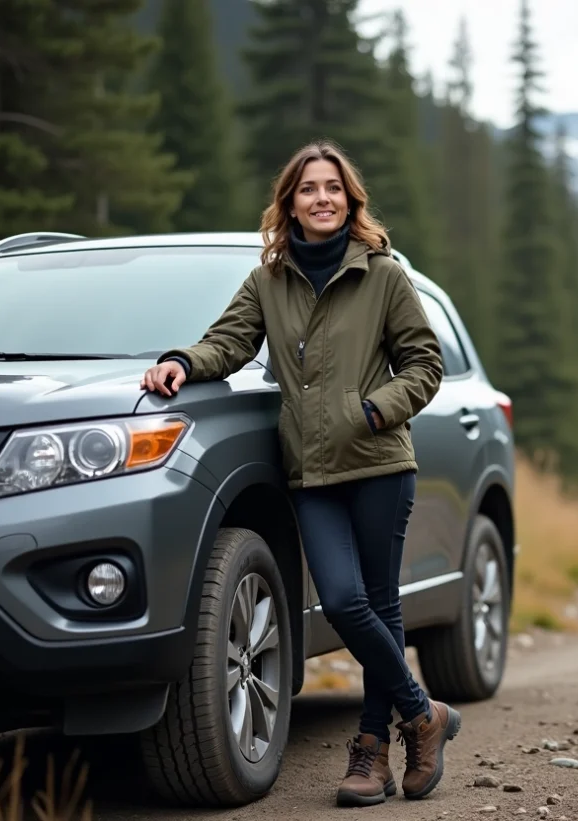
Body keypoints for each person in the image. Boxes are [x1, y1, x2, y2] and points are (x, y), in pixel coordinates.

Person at [140, 139, 459, 807]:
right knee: (342, 601)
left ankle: (371, 752)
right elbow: (228, 342)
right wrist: (182, 363)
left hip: (378, 461)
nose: (322, 198)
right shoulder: (269, 281)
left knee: (380, 604)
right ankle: (421, 713)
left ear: (350, 200)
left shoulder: (383, 274)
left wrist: (372, 412)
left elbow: (424, 364)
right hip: (310, 472)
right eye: (309, 188)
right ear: (289, 203)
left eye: (333, 187)